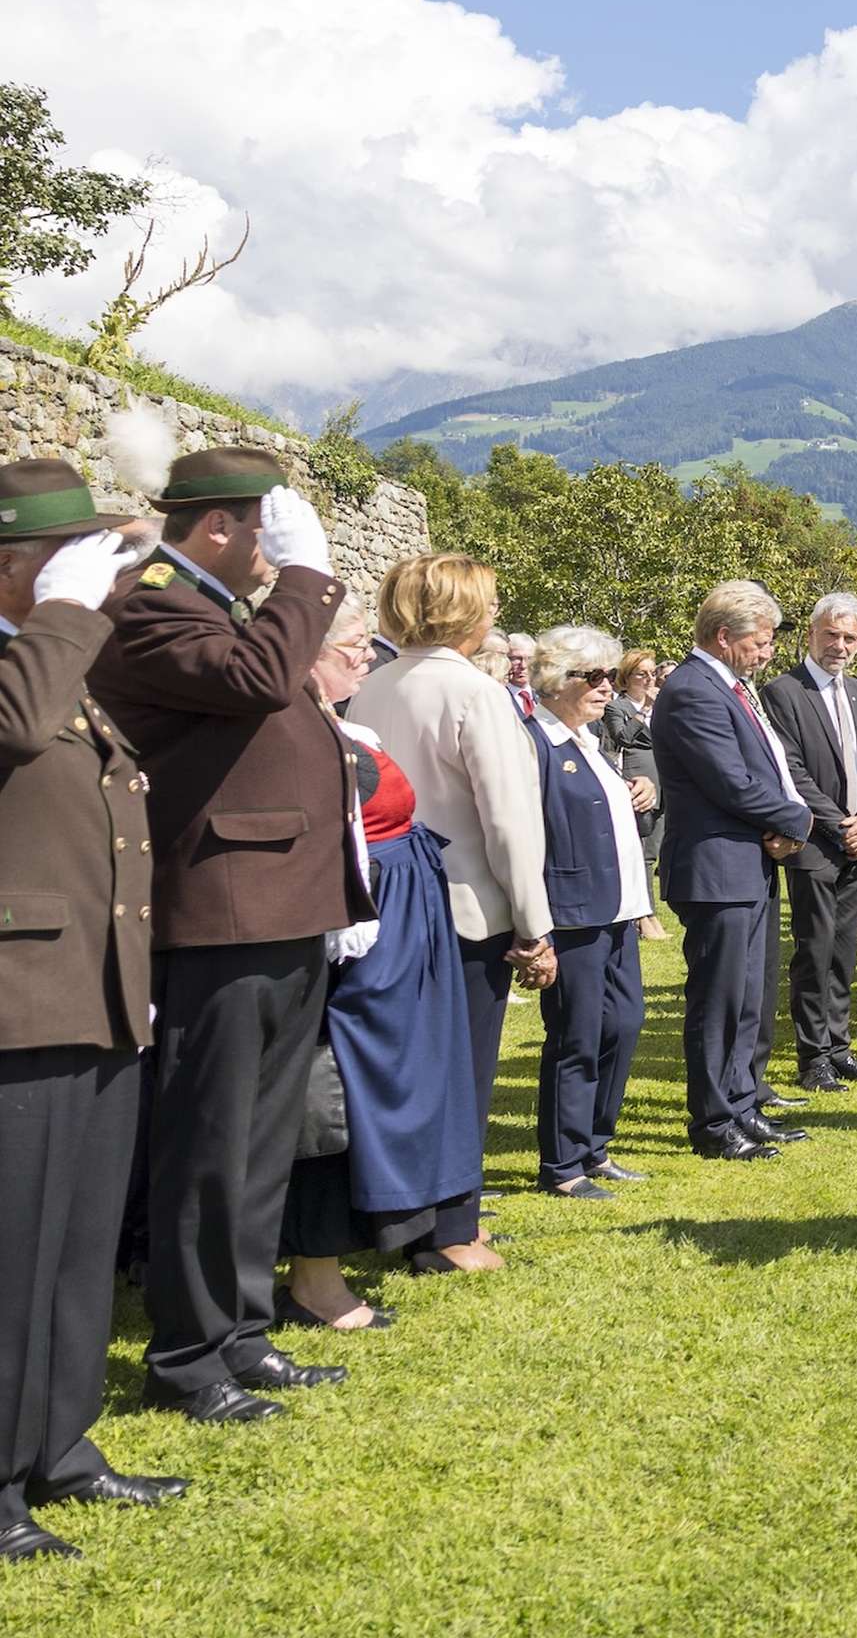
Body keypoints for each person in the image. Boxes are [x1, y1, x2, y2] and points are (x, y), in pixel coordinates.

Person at [90, 449, 360, 1424]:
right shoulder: (152, 601)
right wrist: (305, 579)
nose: (267, 548)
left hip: (279, 902)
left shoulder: (220, 605)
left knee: (260, 1141)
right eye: (260, 528)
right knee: (209, 1141)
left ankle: (240, 1332)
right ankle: (187, 1353)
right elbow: (255, 679)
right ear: (220, 527)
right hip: (222, 907)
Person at [0, 459, 181, 1554]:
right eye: (72, 560)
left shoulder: (61, 658)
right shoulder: (34, 659)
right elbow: (21, 733)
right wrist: (61, 608)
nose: (104, 584)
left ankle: (59, 1445)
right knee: (12, 1247)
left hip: (96, 990)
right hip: (20, 996)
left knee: (72, 1245)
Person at [280, 589, 490, 1316]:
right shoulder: (295, 730)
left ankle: (393, 1227)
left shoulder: (341, 724)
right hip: (356, 944)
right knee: (335, 1097)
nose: (367, 657)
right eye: (351, 648)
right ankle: (315, 1275)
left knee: (389, 1086)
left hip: (397, 933)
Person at [349, 552, 558, 1248]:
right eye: (490, 603)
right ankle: (453, 1230)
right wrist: (535, 925)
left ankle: (397, 1215)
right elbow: (508, 821)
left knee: (403, 1071)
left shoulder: (370, 689)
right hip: (466, 909)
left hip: (383, 904)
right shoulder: (475, 694)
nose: (495, 614)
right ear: (467, 611)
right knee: (464, 1076)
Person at [654, 580, 815, 1160]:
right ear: (724, 638)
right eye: (761, 640)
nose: (768, 651)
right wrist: (798, 818)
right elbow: (730, 781)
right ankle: (715, 1122)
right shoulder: (694, 691)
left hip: (746, 862)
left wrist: (784, 821)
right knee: (719, 1000)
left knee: (749, 995)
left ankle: (743, 1104)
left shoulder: (728, 687)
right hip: (716, 869)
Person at [525, 627, 656, 1199]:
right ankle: (563, 1164)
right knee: (576, 1035)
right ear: (556, 681)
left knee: (623, 1025)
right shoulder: (536, 743)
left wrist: (641, 788)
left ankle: (595, 1146)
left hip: (618, 910)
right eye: (594, 677)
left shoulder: (589, 740)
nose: (607, 687)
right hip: (574, 912)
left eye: (609, 676)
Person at [759, 594, 857, 1091]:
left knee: (844, 948)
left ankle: (839, 1048)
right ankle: (813, 1055)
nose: (840, 645)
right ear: (811, 634)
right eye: (831, 634)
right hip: (816, 842)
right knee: (813, 950)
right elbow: (790, 771)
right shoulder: (784, 692)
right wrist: (842, 824)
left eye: (850, 637)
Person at [594, 650, 667, 940]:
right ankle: (644, 916)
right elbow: (622, 737)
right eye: (642, 674)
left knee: (655, 848)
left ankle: (651, 911)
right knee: (643, 850)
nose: (649, 679)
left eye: (652, 673)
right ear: (627, 677)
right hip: (638, 780)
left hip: (664, 781)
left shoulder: (661, 704)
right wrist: (643, 711)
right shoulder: (618, 706)